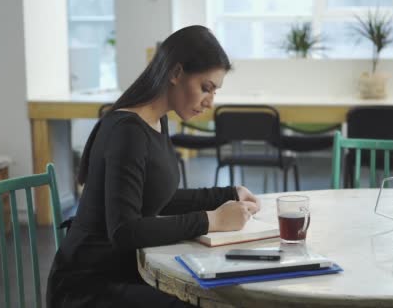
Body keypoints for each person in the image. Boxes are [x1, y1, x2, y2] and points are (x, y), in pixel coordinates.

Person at [46, 25, 260, 307]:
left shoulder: (157, 121)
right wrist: (213, 220)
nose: (210, 101)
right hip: (88, 286)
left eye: (215, 92)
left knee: (210, 291)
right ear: (176, 73)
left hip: (121, 271)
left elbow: (158, 197)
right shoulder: (128, 131)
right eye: (205, 88)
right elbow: (125, 231)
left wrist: (229, 194)